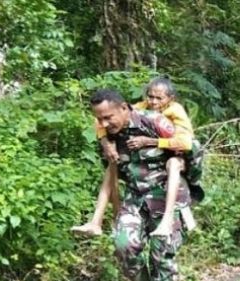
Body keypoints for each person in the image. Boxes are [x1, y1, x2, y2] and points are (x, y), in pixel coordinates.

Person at [89, 89, 190, 281]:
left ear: (124, 108)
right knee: (123, 244)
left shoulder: (154, 121)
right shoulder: (109, 136)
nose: (103, 123)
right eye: (99, 119)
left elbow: (187, 151)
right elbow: (112, 174)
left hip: (167, 196)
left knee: (161, 253)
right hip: (135, 197)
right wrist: (114, 212)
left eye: (108, 117)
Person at [71, 77, 202, 237]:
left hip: (182, 152)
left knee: (174, 164)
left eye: (159, 98)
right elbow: (103, 120)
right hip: (152, 159)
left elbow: (185, 143)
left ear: (170, 99)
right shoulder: (139, 109)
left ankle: (168, 219)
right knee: (112, 165)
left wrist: (150, 141)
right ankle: (95, 221)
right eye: (150, 96)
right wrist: (105, 143)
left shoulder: (174, 111)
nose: (153, 102)